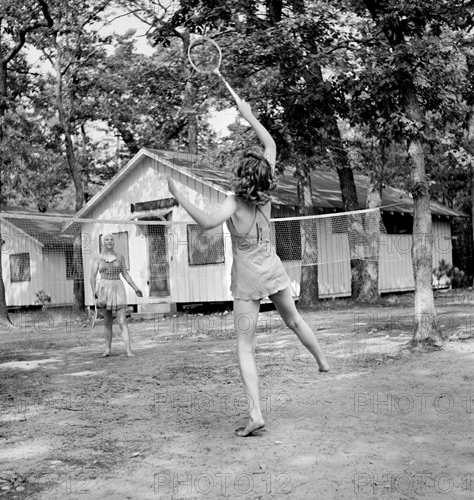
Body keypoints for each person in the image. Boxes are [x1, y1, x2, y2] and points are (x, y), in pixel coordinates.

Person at [168, 99, 330, 437]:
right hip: (272, 268)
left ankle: (256, 413)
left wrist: (179, 195)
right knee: (294, 320)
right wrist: (249, 116)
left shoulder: (233, 201)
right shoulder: (266, 194)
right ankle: (322, 361)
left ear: (242, 177)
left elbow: (208, 223)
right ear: (263, 176)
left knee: (245, 347)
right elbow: (270, 144)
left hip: (247, 279)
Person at [90, 233, 143, 358]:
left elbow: (125, 274)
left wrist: (136, 288)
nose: (109, 241)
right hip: (104, 289)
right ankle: (107, 349)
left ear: (114, 242)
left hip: (118, 288)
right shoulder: (98, 258)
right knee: (107, 321)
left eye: (111, 239)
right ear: (103, 242)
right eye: (107, 239)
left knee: (122, 320)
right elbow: (92, 276)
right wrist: (94, 291)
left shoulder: (119, 256)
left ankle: (128, 350)